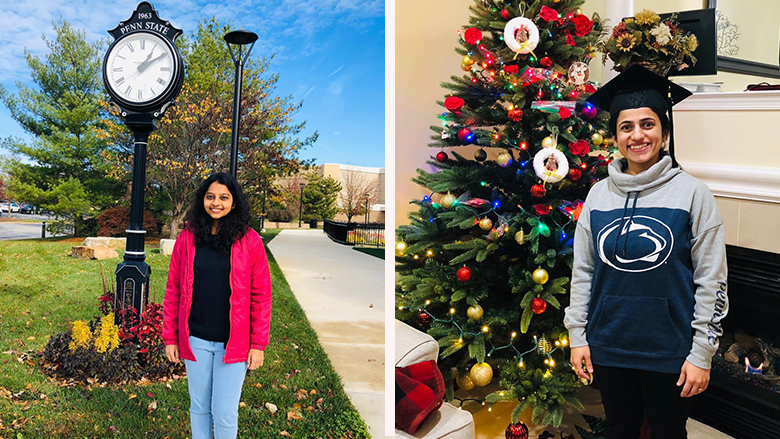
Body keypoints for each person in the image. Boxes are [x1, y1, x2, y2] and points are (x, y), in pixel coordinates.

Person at [563, 65, 729, 439]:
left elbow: (712, 279)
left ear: (664, 132)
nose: (638, 135)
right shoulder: (598, 195)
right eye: (627, 127)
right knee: (620, 430)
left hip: (669, 350)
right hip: (609, 345)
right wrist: (578, 335)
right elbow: (583, 271)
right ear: (616, 137)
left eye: (648, 124)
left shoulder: (692, 194)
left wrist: (701, 353)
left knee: (669, 432)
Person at [163, 172, 272, 439]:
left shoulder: (250, 240)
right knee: (199, 407)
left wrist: (257, 344)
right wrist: (171, 337)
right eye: (210, 197)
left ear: (234, 203)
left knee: (224, 412)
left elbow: (261, 296)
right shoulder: (187, 238)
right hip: (196, 338)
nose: (216, 203)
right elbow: (173, 291)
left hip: (233, 342)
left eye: (224, 197)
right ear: (203, 200)